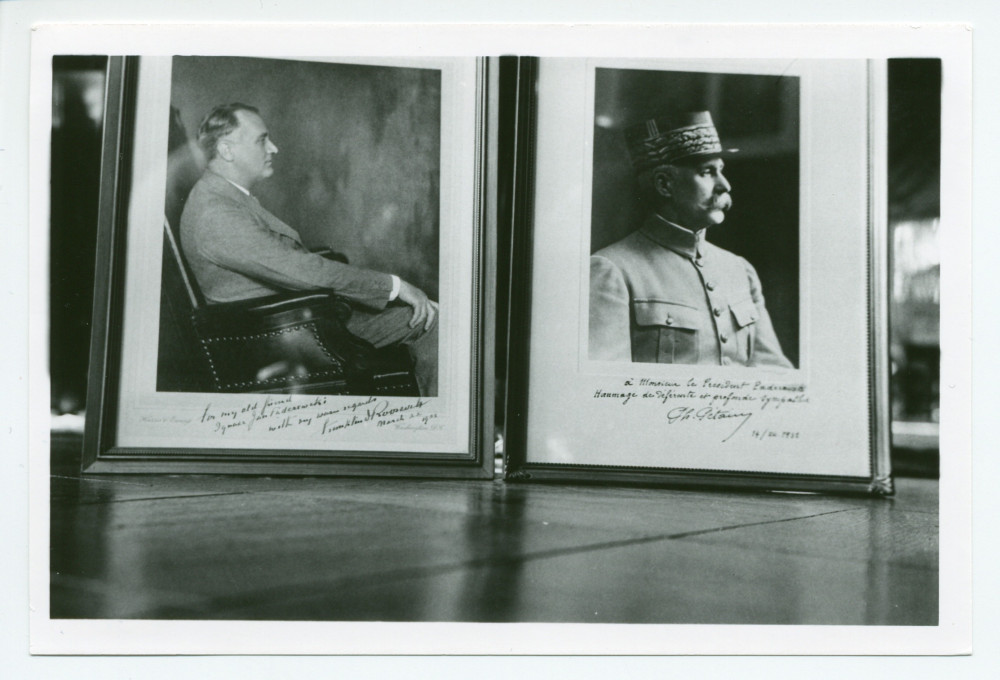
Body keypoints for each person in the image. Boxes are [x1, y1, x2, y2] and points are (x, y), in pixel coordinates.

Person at [180, 103, 438, 395]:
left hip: (299, 320)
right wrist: (395, 286)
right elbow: (304, 271)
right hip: (286, 334)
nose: (274, 148)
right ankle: (447, 433)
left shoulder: (224, 196)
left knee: (432, 313)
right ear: (227, 150)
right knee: (436, 322)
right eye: (262, 140)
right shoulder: (216, 214)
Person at [589, 111, 792, 368]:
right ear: (665, 184)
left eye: (721, 171)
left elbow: (773, 372)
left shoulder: (740, 270)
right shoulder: (612, 270)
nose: (725, 185)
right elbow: (606, 388)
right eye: (707, 172)